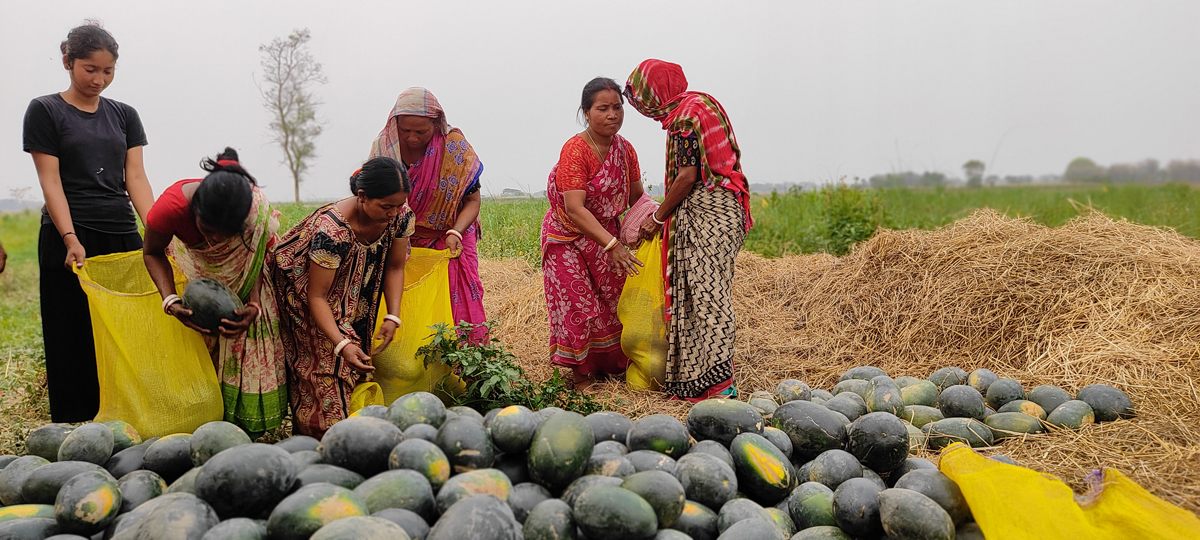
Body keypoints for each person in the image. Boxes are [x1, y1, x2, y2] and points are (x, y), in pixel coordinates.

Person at [23, 23, 153, 422]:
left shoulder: (124, 115)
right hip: (70, 235)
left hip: (121, 234)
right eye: (89, 69)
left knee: (123, 333)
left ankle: (123, 418)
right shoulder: (45, 110)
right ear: (68, 62)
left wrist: (158, 232)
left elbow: (136, 178)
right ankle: (74, 425)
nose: (98, 79)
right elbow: (51, 181)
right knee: (71, 334)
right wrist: (69, 237)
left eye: (107, 71)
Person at [625, 59, 754, 402]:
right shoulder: (702, 103)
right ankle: (702, 380)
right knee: (705, 293)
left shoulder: (684, 117)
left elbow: (687, 176)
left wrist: (656, 218)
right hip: (726, 210)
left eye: (642, 100)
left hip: (708, 213)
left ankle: (718, 385)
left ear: (655, 93)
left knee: (707, 296)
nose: (644, 110)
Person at [142, 149, 287, 436]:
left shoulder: (253, 211)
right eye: (207, 228)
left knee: (246, 351)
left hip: (247, 283)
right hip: (196, 277)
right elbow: (152, 252)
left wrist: (255, 304)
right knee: (200, 357)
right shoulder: (169, 208)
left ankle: (241, 431)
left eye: (227, 233)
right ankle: (203, 423)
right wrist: (170, 300)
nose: (216, 239)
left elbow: (254, 257)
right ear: (195, 209)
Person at [273, 157, 414, 438]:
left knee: (354, 354)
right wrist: (340, 344)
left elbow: (396, 267)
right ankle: (318, 439)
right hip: (304, 295)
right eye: (387, 206)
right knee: (323, 365)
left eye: (399, 205)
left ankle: (344, 432)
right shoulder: (332, 231)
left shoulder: (400, 216)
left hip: (356, 290)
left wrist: (392, 315)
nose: (394, 213)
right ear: (362, 196)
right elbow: (317, 297)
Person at [541, 77, 646, 390]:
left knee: (613, 303)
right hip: (568, 238)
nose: (612, 114)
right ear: (586, 112)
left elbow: (637, 197)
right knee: (578, 305)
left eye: (617, 107)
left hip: (605, 235)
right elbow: (575, 208)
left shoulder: (625, 150)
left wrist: (654, 222)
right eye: (603, 108)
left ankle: (607, 366)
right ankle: (581, 376)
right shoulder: (576, 150)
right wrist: (613, 245)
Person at [368, 87, 486, 333]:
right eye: (405, 130)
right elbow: (375, 200)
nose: (412, 138)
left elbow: (472, 201)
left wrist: (456, 231)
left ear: (436, 124)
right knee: (408, 305)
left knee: (459, 303)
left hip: (452, 236)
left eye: (420, 132)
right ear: (394, 124)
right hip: (402, 239)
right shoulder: (385, 148)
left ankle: (466, 361)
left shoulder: (454, 147)